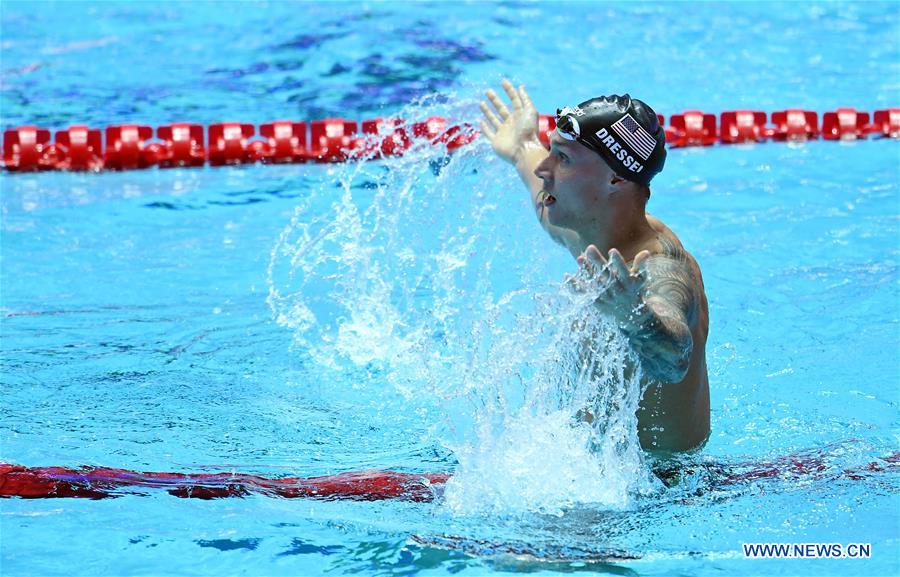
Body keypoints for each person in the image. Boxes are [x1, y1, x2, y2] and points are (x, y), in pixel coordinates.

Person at [479, 80, 710, 452]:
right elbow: (543, 200)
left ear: (616, 178)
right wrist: (522, 146)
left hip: (664, 480)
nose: (543, 169)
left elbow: (675, 358)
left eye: (564, 158)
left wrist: (637, 318)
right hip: (601, 465)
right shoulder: (584, 225)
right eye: (551, 152)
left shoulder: (660, 266)